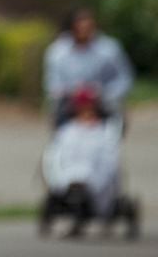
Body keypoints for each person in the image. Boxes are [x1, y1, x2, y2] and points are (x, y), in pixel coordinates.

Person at [44, 85, 121, 236]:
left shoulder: (104, 133)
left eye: (89, 110)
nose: (86, 114)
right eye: (82, 110)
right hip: (69, 176)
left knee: (88, 180)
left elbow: (109, 161)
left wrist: (97, 179)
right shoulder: (67, 132)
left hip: (95, 178)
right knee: (72, 181)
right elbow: (57, 157)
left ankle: (91, 210)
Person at [43, 7, 134, 125]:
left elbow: (124, 78)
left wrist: (103, 94)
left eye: (88, 28)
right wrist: (73, 94)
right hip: (69, 106)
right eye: (80, 28)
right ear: (72, 28)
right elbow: (52, 83)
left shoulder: (109, 49)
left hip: (103, 104)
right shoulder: (58, 51)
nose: (84, 32)